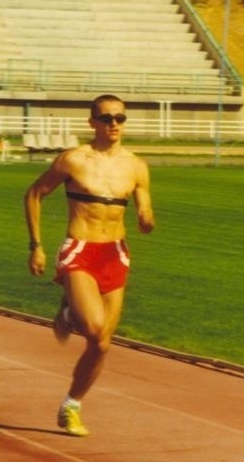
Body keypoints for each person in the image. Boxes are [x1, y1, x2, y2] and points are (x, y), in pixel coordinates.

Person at [24, 94, 156, 437]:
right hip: (80, 250)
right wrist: (36, 246)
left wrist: (146, 218)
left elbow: (145, 211)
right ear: (92, 122)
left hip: (115, 252)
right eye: (106, 118)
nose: (114, 124)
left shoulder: (136, 166)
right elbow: (35, 193)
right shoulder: (73, 160)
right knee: (95, 328)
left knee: (101, 344)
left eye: (120, 118)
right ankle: (71, 311)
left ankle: (71, 405)